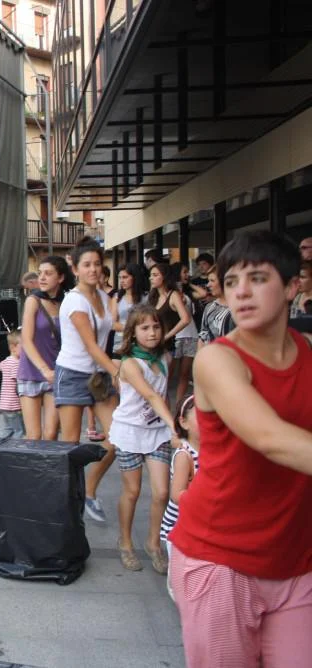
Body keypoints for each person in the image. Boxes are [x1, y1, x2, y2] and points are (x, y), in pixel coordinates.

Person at [169, 230, 312, 666]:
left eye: (258, 278)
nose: (241, 292)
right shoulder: (218, 359)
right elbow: (269, 437)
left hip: (296, 558)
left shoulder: (307, 352)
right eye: (231, 281)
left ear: (292, 286)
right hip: (221, 559)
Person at [109, 305, 180, 574]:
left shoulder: (166, 358)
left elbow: (162, 394)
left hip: (158, 432)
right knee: (133, 491)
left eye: (156, 327)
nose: (152, 333)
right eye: (145, 328)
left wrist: (169, 426)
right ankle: (125, 542)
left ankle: (153, 543)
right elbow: (150, 395)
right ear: (133, 332)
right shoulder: (129, 364)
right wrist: (176, 426)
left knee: (162, 492)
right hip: (129, 432)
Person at [54, 237, 119, 523]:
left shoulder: (103, 297)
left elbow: (110, 329)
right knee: (70, 445)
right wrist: (118, 372)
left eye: (97, 264)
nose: (93, 269)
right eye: (87, 265)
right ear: (76, 269)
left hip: (98, 375)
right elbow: (92, 345)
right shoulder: (74, 300)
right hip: (72, 374)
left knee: (118, 438)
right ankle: (66, 505)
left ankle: (89, 491)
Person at [17, 256, 71, 440]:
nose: (42, 277)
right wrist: (44, 369)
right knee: (34, 435)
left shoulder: (67, 302)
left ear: (61, 277)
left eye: (48, 274)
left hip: (56, 372)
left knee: (51, 433)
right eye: (40, 273)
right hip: (32, 371)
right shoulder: (33, 301)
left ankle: (47, 462)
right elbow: (26, 339)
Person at [159, 393, 199, 600]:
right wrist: (205, 498)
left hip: (197, 525)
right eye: (201, 417)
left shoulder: (213, 451)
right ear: (183, 422)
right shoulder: (185, 455)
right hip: (178, 526)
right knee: (180, 579)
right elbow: (176, 495)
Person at [169, 262, 199, 407]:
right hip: (176, 336)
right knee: (168, 373)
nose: (187, 274)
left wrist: (189, 284)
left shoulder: (187, 293)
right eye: (184, 272)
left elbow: (203, 294)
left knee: (185, 374)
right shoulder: (171, 293)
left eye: (188, 272)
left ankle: (178, 406)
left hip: (191, 335)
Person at [110, 263, 149, 352]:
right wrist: (133, 329)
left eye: (125, 277)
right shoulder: (117, 297)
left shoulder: (146, 297)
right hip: (120, 342)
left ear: (134, 277)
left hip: (141, 343)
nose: (121, 281)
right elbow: (113, 324)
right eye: (120, 278)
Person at [197, 265, 234, 347]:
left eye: (212, 281)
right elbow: (203, 337)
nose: (208, 285)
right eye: (208, 281)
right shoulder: (209, 307)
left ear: (224, 282)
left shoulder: (237, 308)